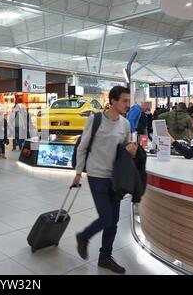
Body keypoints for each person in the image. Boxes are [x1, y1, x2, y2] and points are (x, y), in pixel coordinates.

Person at [72, 86, 138, 274]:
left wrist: (131, 152)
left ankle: (105, 257)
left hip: (115, 177)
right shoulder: (95, 120)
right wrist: (78, 173)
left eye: (128, 100)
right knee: (107, 217)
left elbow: (125, 151)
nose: (128, 104)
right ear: (113, 101)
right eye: (125, 100)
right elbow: (82, 147)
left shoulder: (125, 124)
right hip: (97, 175)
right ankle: (84, 236)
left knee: (114, 220)